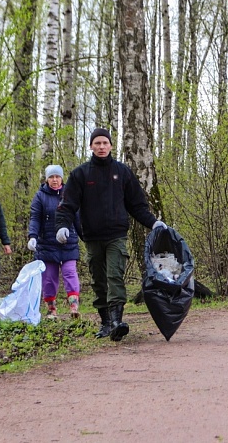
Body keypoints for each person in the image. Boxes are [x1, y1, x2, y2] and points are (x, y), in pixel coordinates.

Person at [55, 128, 166, 341]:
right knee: (98, 280)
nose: (101, 147)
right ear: (90, 146)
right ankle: (105, 322)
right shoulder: (80, 174)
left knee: (114, 275)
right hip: (92, 237)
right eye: (97, 143)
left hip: (117, 235)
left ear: (111, 146)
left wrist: (154, 223)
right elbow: (67, 205)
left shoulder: (122, 172)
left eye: (105, 143)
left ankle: (117, 321)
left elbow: (137, 205)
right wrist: (62, 225)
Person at [28, 165, 82, 319]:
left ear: (62, 178)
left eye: (57, 177)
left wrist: (85, 236)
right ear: (47, 179)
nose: (55, 180)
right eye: (51, 177)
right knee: (49, 278)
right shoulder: (40, 196)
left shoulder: (70, 194)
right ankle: (51, 310)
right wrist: (33, 236)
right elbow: (35, 218)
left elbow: (77, 218)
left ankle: (74, 307)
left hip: (68, 242)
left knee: (70, 273)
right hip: (47, 244)